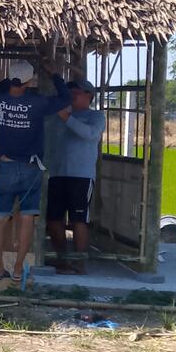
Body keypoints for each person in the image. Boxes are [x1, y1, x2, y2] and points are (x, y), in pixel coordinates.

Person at [0, 58, 71, 282]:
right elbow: (65, 98)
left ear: (10, 79)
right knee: (27, 218)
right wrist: (55, 75)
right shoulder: (37, 102)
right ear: (29, 82)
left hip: (6, 166)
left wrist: (11, 80)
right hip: (30, 167)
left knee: (1, 217)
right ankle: (17, 269)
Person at [46, 79, 105, 275]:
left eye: (76, 92)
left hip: (81, 176)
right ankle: (62, 259)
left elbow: (89, 134)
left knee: (78, 219)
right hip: (56, 174)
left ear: (89, 95)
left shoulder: (96, 116)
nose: (72, 95)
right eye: (69, 92)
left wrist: (67, 119)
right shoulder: (57, 116)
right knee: (53, 219)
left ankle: (79, 262)